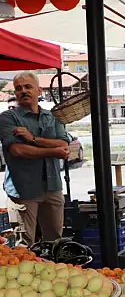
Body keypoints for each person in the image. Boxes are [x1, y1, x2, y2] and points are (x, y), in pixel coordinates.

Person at [0, 72, 70, 246]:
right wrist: (53, 151)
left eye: (28, 87)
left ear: (39, 90)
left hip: (52, 186)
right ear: (15, 93)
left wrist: (32, 139)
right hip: (23, 190)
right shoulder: (8, 118)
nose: (23, 91)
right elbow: (18, 151)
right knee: (25, 245)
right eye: (18, 88)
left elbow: (63, 144)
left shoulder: (53, 116)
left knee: (55, 242)